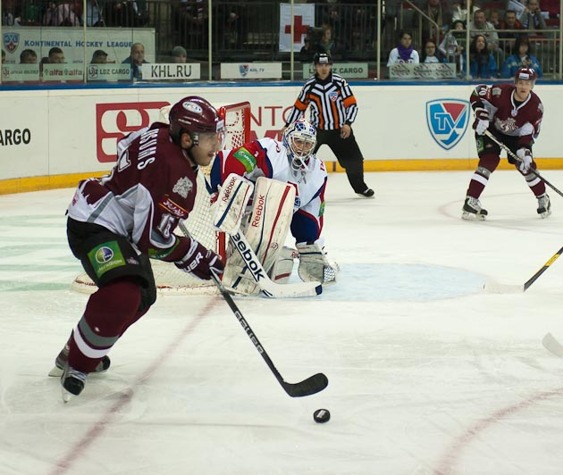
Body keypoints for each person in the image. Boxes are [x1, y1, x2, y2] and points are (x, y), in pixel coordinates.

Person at [52, 96, 226, 400]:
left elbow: (125, 143)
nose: (216, 145)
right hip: (93, 224)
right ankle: (77, 363)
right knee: (125, 293)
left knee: (144, 296)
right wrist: (195, 255)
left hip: (107, 213)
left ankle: (76, 347)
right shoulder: (178, 176)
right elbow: (153, 243)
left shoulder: (159, 131)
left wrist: (139, 184)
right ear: (186, 139)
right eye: (209, 138)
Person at [208, 117, 338, 292]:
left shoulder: (317, 172)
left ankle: (251, 263)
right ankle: (238, 270)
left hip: (264, 214)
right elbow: (237, 158)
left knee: (280, 264)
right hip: (238, 195)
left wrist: (309, 244)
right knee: (276, 195)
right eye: (298, 141)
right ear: (288, 138)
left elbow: (311, 212)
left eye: (307, 144)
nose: (302, 148)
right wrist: (225, 192)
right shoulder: (272, 149)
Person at [462, 67, 549, 220]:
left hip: (516, 138)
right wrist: (480, 114)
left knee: (526, 167)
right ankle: (471, 200)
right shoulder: (500, 92)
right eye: (521, 83)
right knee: (489, 161)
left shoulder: (536, 107)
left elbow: (528, 134)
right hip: (492, 129)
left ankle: (543, 197)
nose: (523, 86)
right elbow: (476, 93)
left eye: (527, 83)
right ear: (516, 83)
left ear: (532, 85)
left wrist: (524, 151)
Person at [285, 52, 374, 198]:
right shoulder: (310, 86)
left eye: (326, 64)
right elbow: (299, 107)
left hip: (340, 130)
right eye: (320, 65)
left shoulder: (339, 82)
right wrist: (288, 124)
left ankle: (360, 188)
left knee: (355, 160)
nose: (324, 68)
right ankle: (295, 189)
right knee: (300, 160)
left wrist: (348, 123)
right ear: (315, 66)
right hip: (315, 131)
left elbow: (351, 104)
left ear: (331, 65)